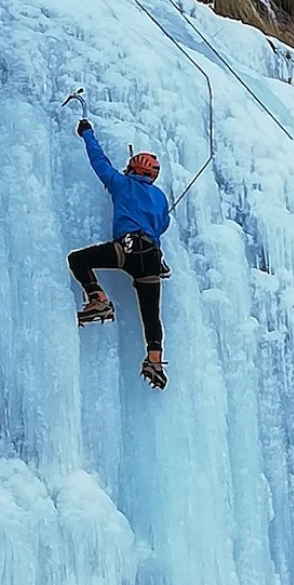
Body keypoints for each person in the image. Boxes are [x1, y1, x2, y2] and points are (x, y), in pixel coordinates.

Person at [67, 117, 170, 389]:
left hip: (127, 248)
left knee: (78, 259)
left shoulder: (121, 184)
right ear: (152, 175)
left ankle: (98, 297)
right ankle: (154, 360)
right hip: (151, 258)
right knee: (151, 314)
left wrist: (87, 133)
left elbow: (99, 162)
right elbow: (162, 226)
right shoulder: (160, 198)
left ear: (131, 169)